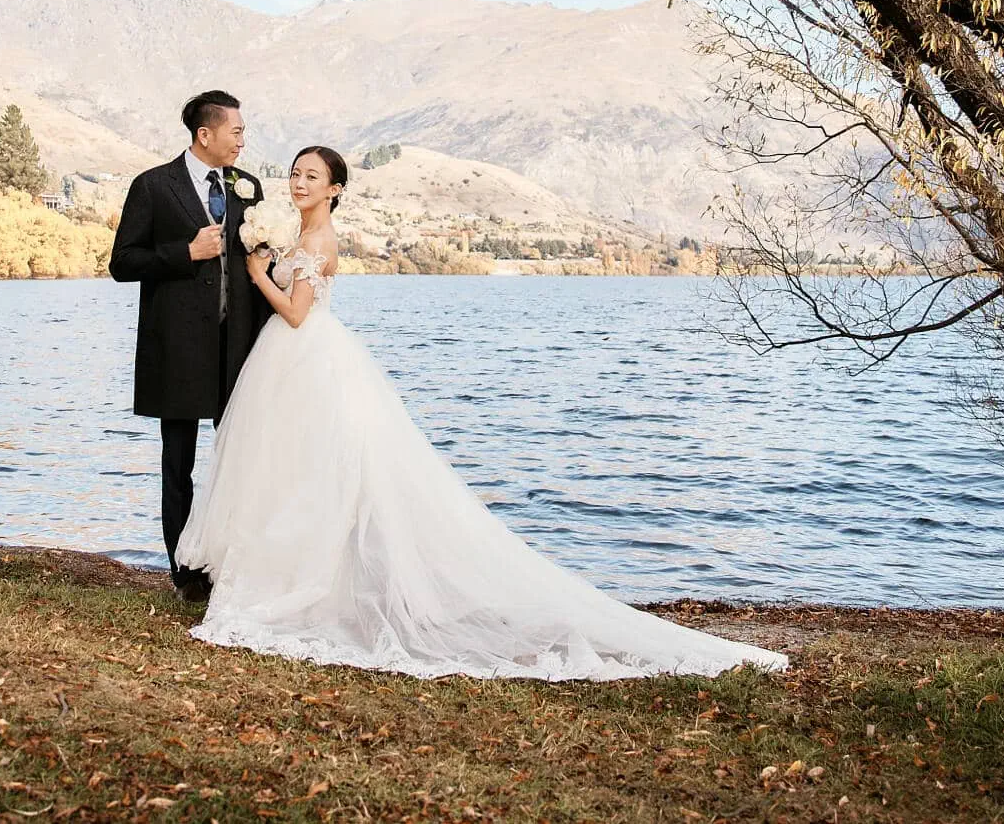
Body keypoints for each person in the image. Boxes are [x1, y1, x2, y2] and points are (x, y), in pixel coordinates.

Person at [175, 145, 788, 681]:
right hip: (287, 365)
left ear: (335, 190)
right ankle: (283, 575)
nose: (299, 183)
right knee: (290, 472)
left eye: (312, 176)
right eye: (295, 174)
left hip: (307, 353)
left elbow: (298, 312)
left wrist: (257, 271)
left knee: (315, 473)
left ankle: (301, 585)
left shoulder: (320, 240)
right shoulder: (300, 235)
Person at [108, 90, 268, 603]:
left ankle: (233, 560)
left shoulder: (250, 188)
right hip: (177, 349)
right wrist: (185, 252)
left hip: (237, 348)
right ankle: (186, 573)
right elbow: (123, 263)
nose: (242, 140)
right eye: (236, 131)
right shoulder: (153, 186)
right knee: (178, 463)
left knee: (238, 459)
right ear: (206, 134)